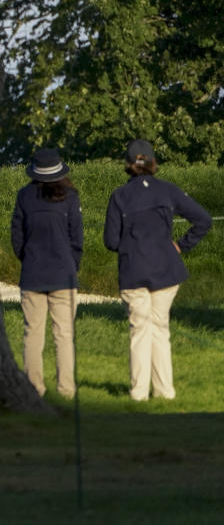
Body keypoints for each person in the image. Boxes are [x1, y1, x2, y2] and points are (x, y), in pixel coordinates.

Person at [103, 139, 212, 401]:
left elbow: (110, 241)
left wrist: (131, 245)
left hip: (133, 271)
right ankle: (165, 392)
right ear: (153, 162)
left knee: (139, 331)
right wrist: (180, 245)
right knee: (160, 330)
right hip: (166, 269)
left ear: (128, 165)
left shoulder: (119, 196)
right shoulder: (167, 191)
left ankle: (139, 393)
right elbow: (203, 220)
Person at [11, 148, 83, 399]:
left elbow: (17, 239)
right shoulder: (71, 198)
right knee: (64, 335)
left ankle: (34, 390)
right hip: (64, 275)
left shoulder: (24, 197)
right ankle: (66, 390)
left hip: (32, 274)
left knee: (33, 334)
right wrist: (72, 265)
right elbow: (77, 240)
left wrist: (29, 259)